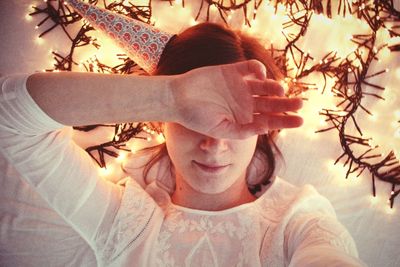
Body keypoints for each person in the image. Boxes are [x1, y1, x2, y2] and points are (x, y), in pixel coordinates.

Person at [0, 1, 365, 265]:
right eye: (195, 119)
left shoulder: (297, 220)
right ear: (161, 119)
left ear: (263, 129)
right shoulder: (125, 222)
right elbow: (11, 119)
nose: (213, 144)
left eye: (236, 119)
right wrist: (170, 95)